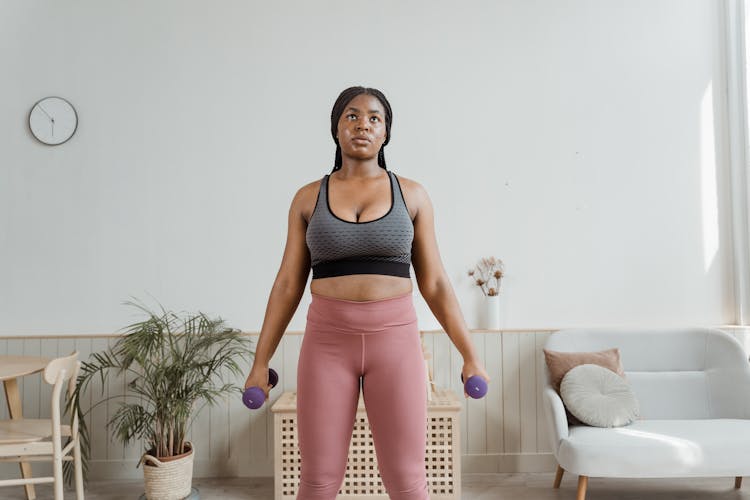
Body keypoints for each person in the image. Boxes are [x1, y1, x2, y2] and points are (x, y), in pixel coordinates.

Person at [244, 86, 491, 500]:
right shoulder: (308, 198)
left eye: (375, 118)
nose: (363, 124)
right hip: (326, 345)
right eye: (352, 116)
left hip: (395, 344)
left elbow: (434, 283)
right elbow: (288, 284)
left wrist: (472, 356)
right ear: (336, 129)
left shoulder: (412, 194)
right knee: (318, 482)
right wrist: (259, 362)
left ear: (386, 132)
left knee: (408, 482)